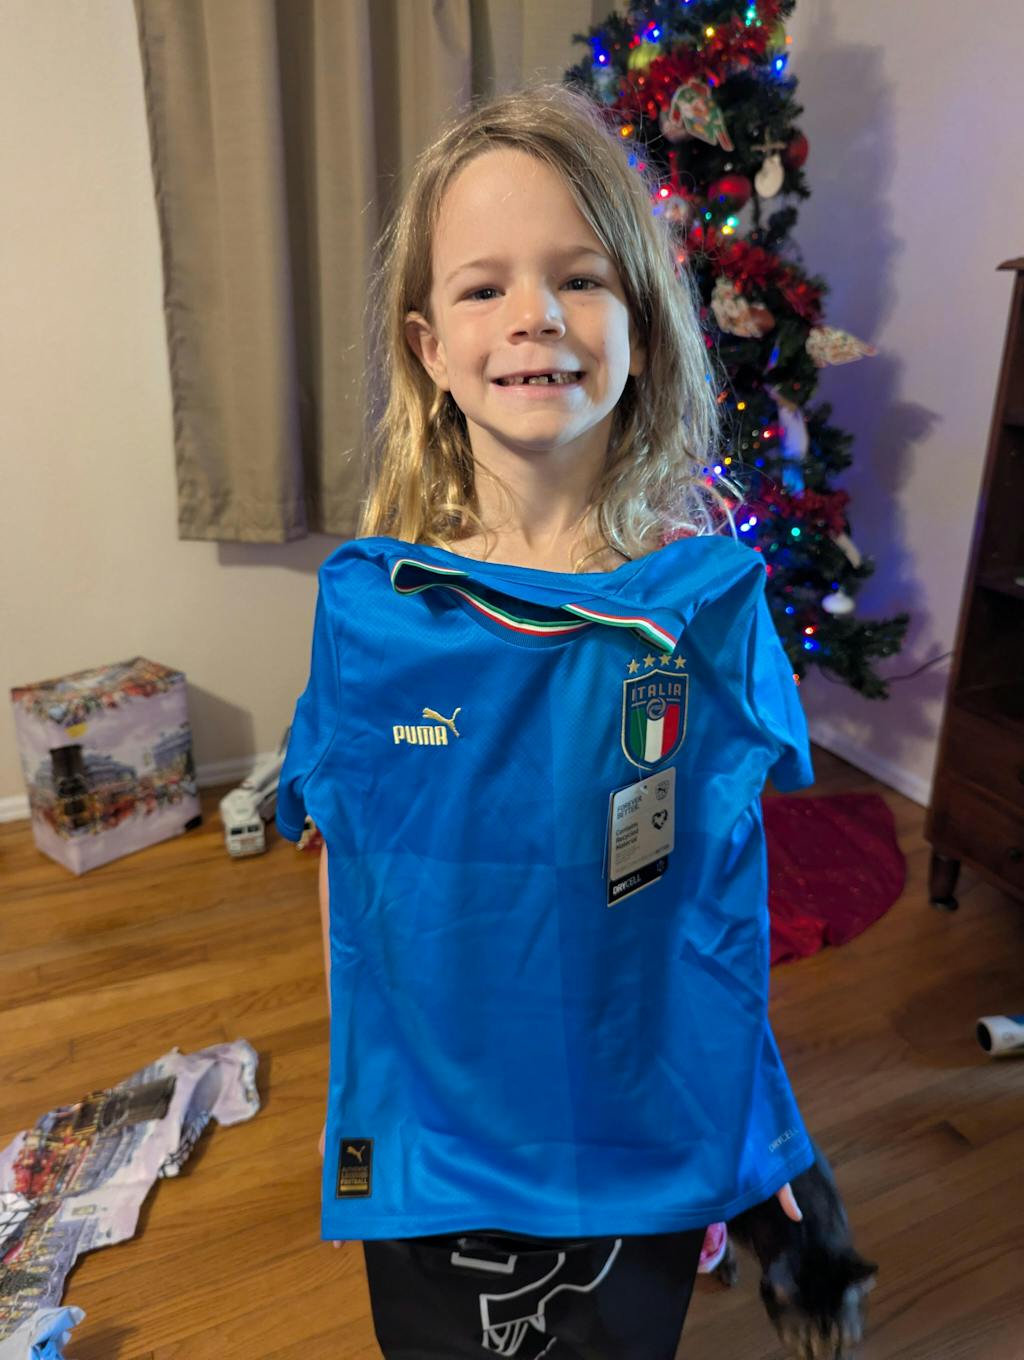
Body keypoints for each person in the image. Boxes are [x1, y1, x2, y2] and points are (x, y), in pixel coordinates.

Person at [278, 81, 812, 1359]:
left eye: (579, 277)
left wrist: (748, 1114)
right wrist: (365, 1089)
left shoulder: (705, 609)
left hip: (638, 1123)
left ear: (643, 327)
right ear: (427, 346)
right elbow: (347, 859)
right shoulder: (376, 614)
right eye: (484, 287)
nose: (535, 315)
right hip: (440, 1138)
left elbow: (719, 887)